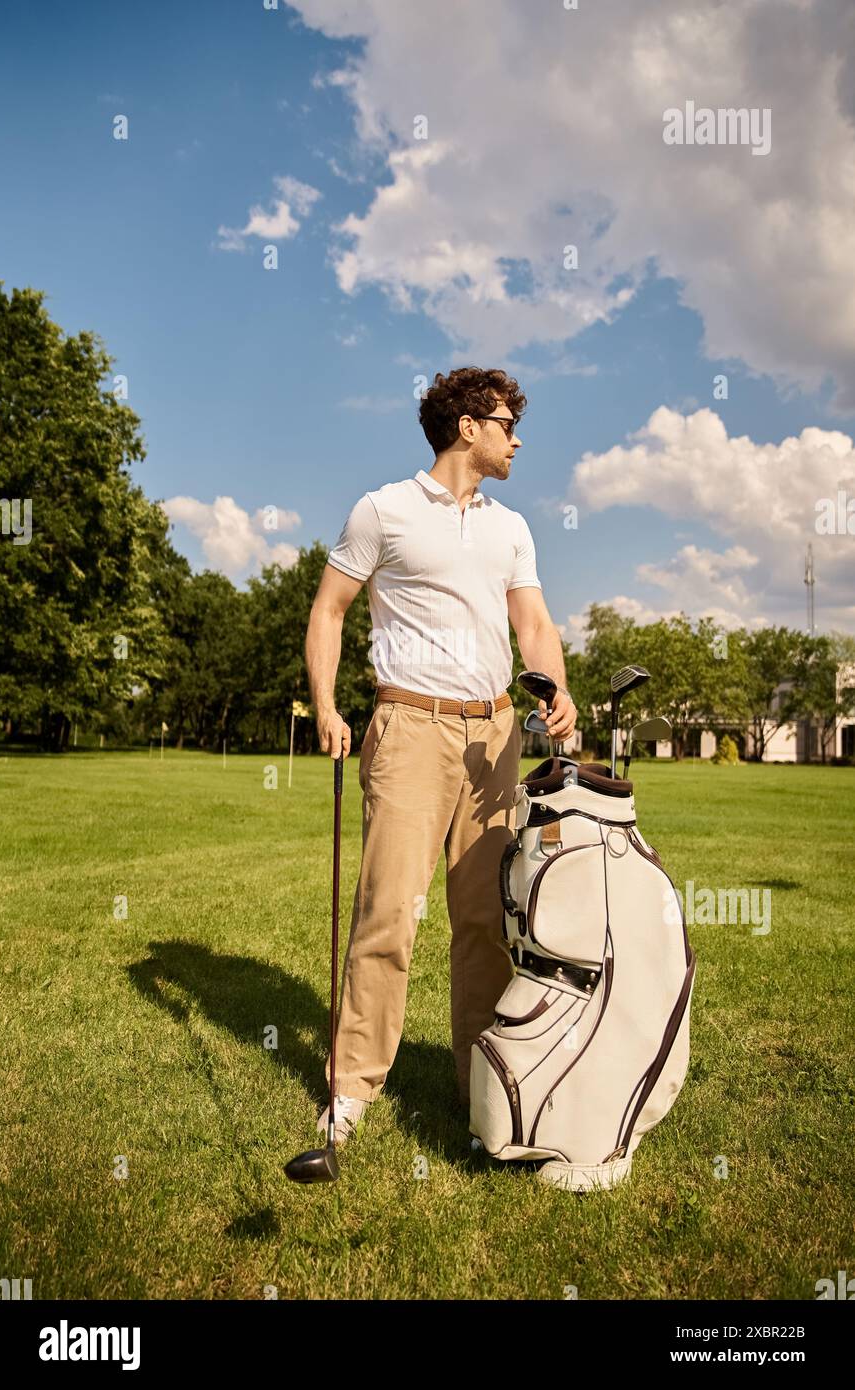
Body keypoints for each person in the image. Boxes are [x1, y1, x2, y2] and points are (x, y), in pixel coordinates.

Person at [304, 366, 577, 1143]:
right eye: (505, 423)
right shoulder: (382, 510)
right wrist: (326, 706)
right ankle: (351, 1088)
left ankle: (480, 1086)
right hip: (409, 728)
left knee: (487, 919)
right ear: (467, 426)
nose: (516, 438)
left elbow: (535, 626)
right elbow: (329, 611)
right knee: (389, 910)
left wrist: (555, 689)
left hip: (493, 738)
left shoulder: (511, 527)